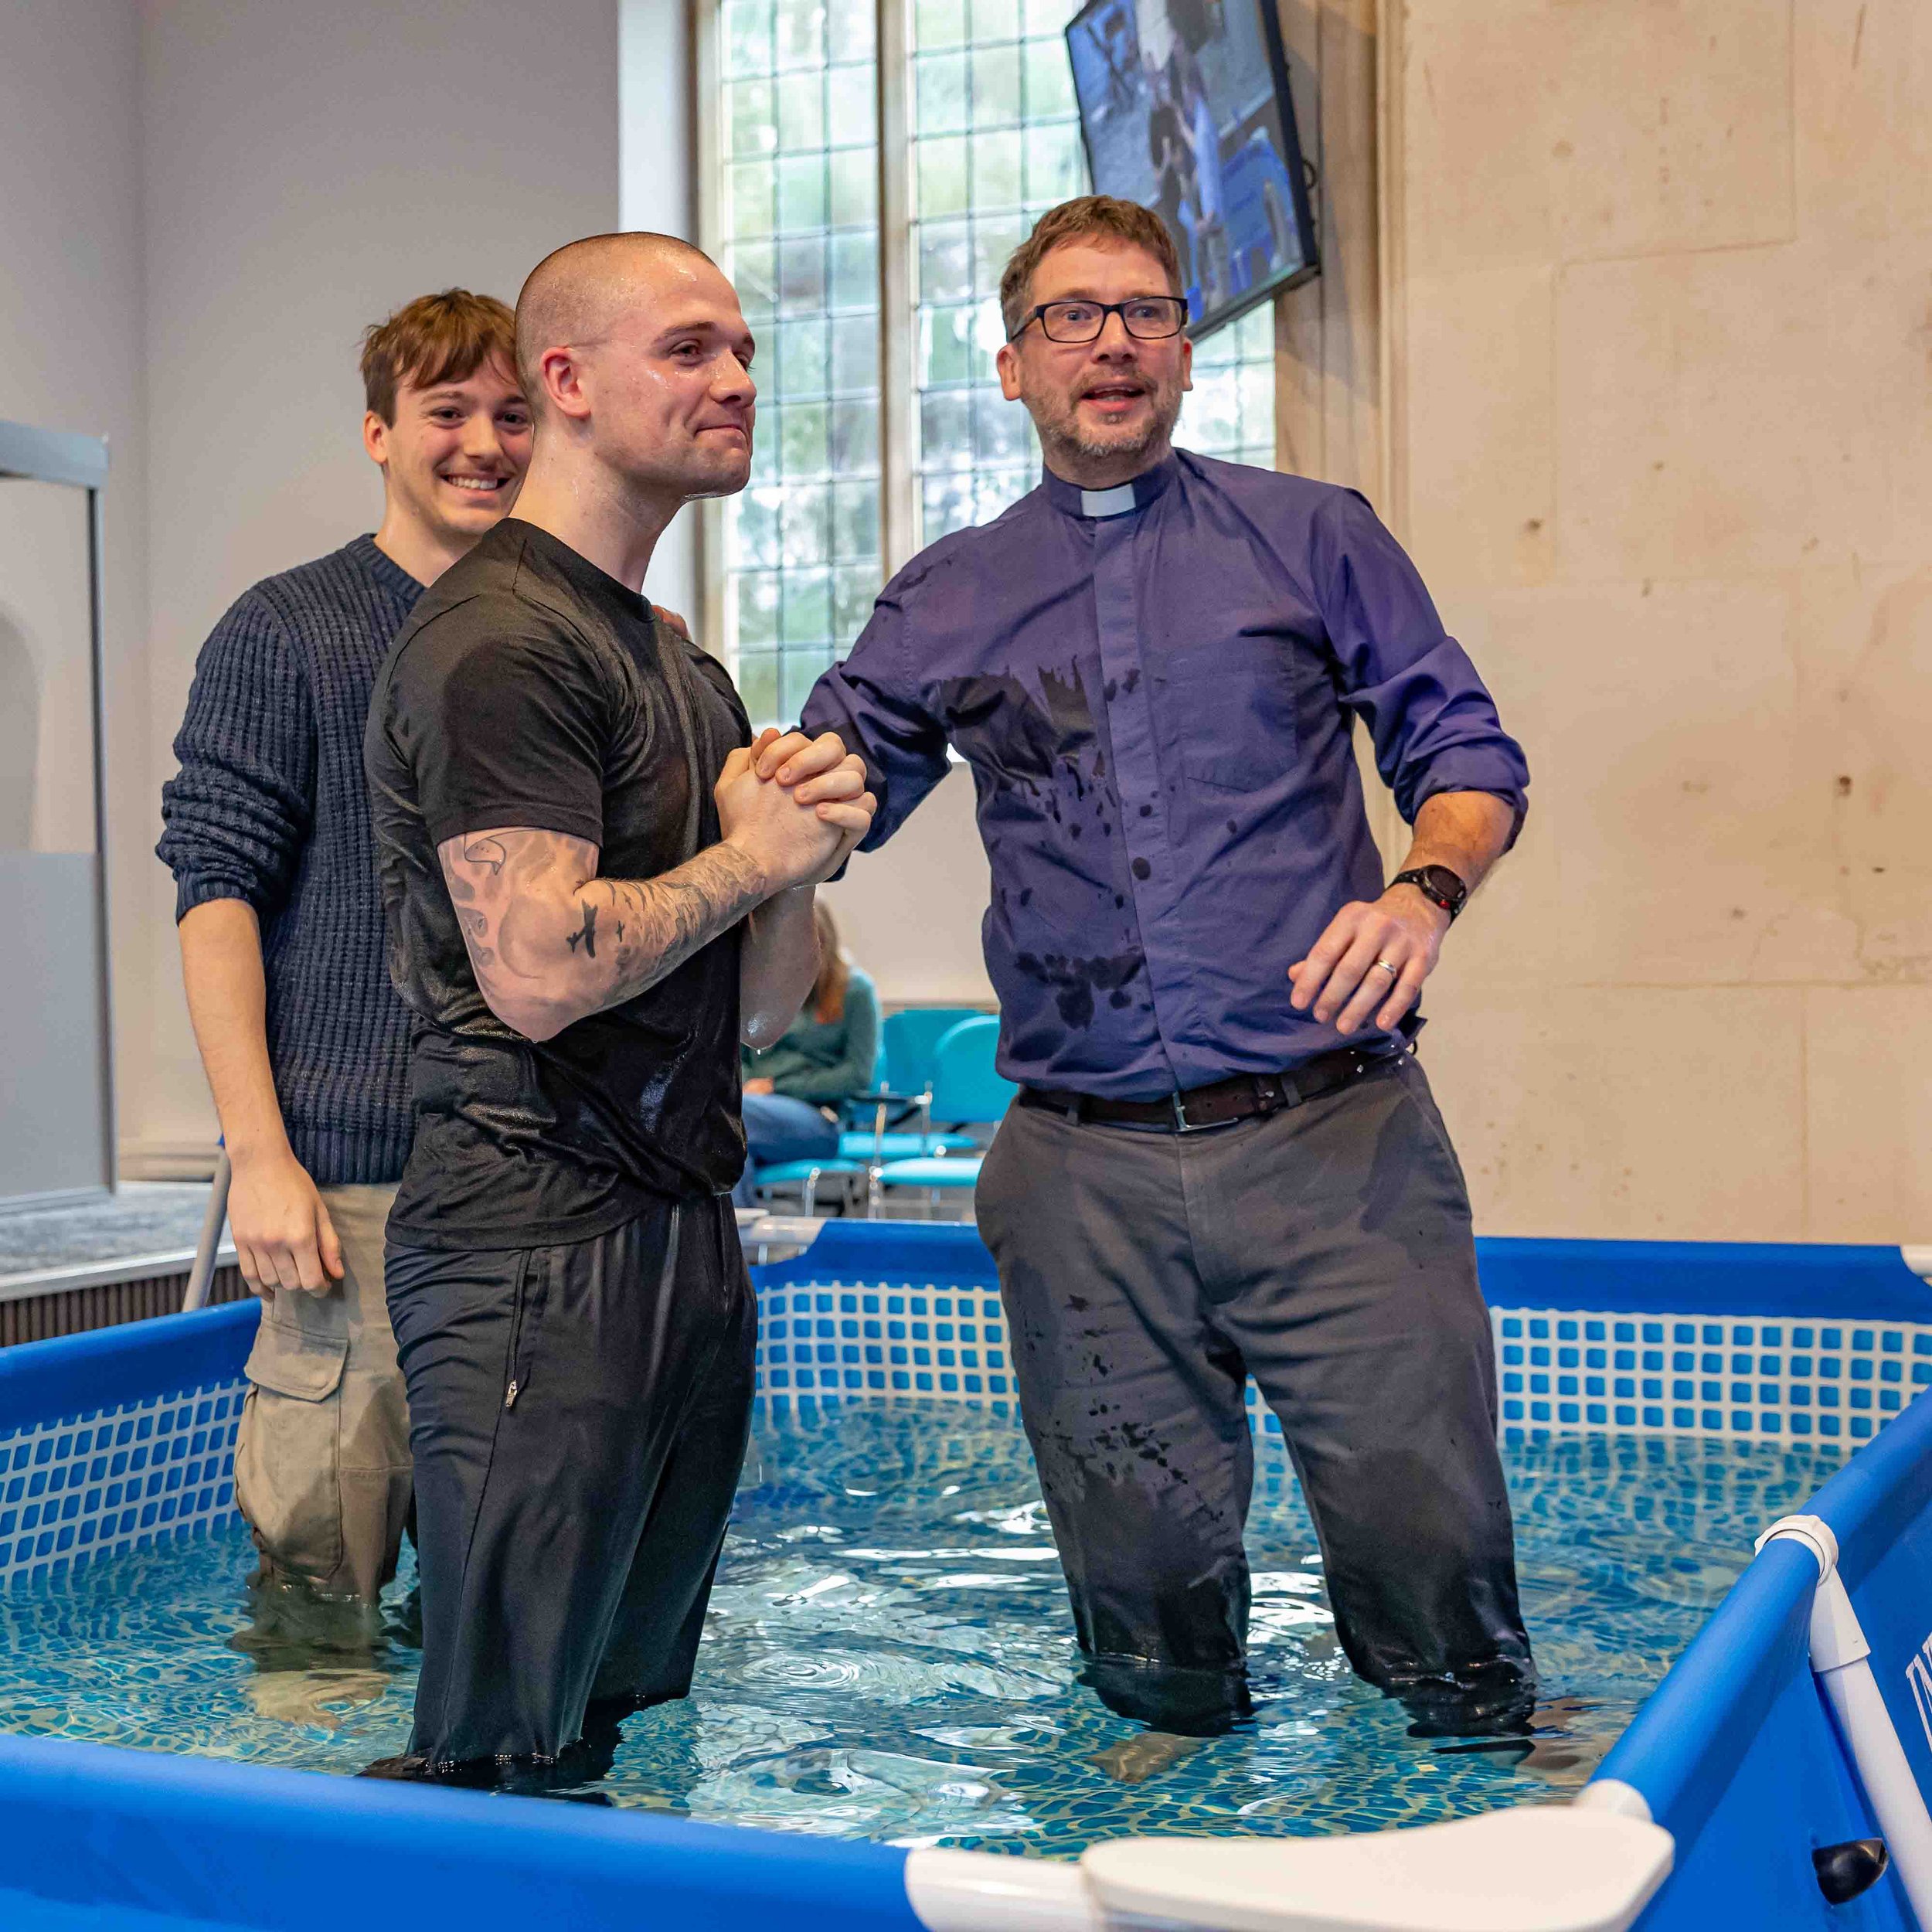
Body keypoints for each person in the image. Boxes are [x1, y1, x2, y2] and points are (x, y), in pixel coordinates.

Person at [801, 196, 1536, 1748]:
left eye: (1145, 311)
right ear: (1012, 364)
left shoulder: (1314, 534)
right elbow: (814, 808)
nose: (1112, 341)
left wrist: (1420, 893)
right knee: (1145, 1632)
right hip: (1084, 1180)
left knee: (1439, 1587)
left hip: (1336, 1150)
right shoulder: (946, 594)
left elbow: (1467, 755)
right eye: (1069, 316)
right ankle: (1171, 1818)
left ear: (1187, 353)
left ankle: (1480, 1798)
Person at [362, 231, 874, 1784]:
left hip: (679, 1229)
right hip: (531, 1237)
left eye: (744, 350)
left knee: (612, 1725)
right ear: (567, 383)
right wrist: (750, 855)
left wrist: (795, 858)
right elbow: (536, 973)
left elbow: (758, 1013)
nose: (737, 379)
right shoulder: (499, 641)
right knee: (494, 1744)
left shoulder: (679, 663)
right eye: (690, 348)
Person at [158, 290, 532, 1611]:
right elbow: (216, 896)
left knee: (505, 1615)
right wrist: (261, 1158)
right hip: (353, 1193)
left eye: (513, 416)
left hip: (533, 1190)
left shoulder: (565, 634)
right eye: (447, 411)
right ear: (379, 432)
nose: (483, 443)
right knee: (320, 1610)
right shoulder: (288, 628)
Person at [732, 900, 880, 1209]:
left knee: (731, 1119)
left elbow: (856, 1075)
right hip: (754, 1107)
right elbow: (736, 1057)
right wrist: (746, 1085)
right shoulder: (760, 987)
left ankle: (738, 1232)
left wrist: (777, 1087)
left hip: (819, 1118)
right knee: (726, 1141)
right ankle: (739, 1233)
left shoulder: (854, 991)